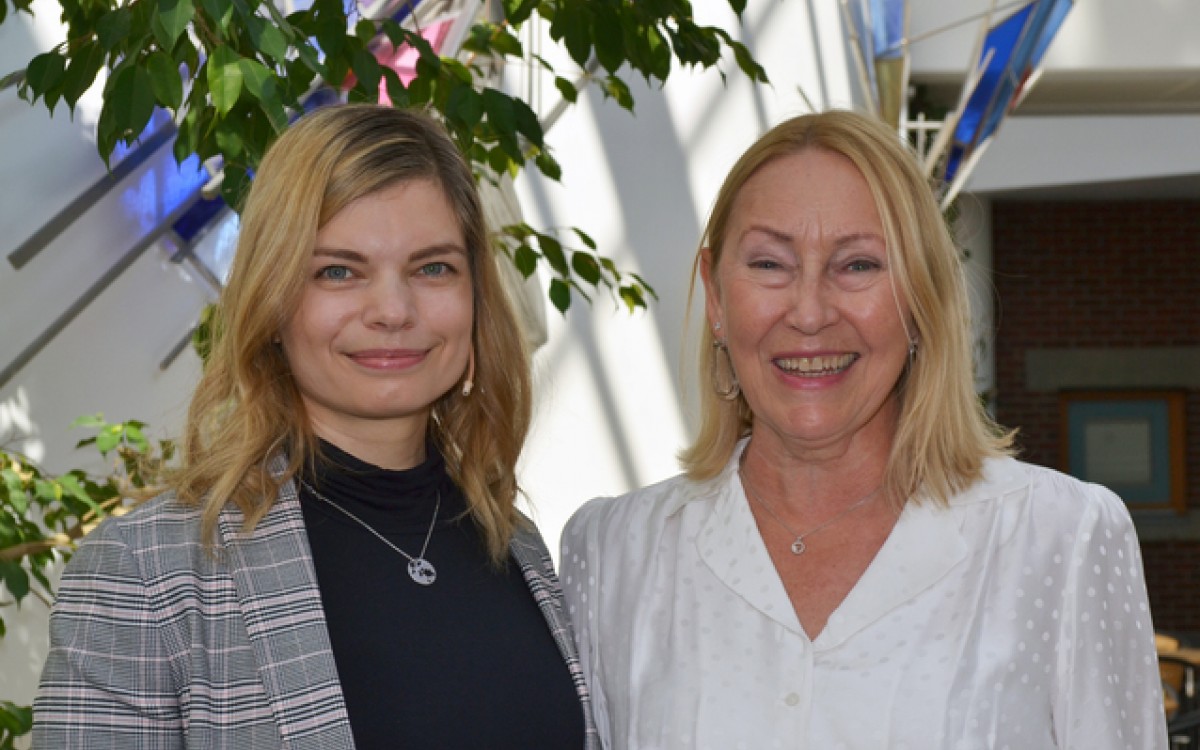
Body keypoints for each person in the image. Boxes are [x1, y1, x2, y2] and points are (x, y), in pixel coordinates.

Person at [560, 109, 1166, 749]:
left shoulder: (1059, 539)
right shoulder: (610, 554)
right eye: (770, 264)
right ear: (715, 296)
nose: (811, 312)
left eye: (858, 266)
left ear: (920, 297)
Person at [34, 103, 598, 749]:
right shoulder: (146, 574)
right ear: (272, 300)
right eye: (338, 271)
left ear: (476, 296)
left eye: (433, 266)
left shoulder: (514, 542)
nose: (393, 309)